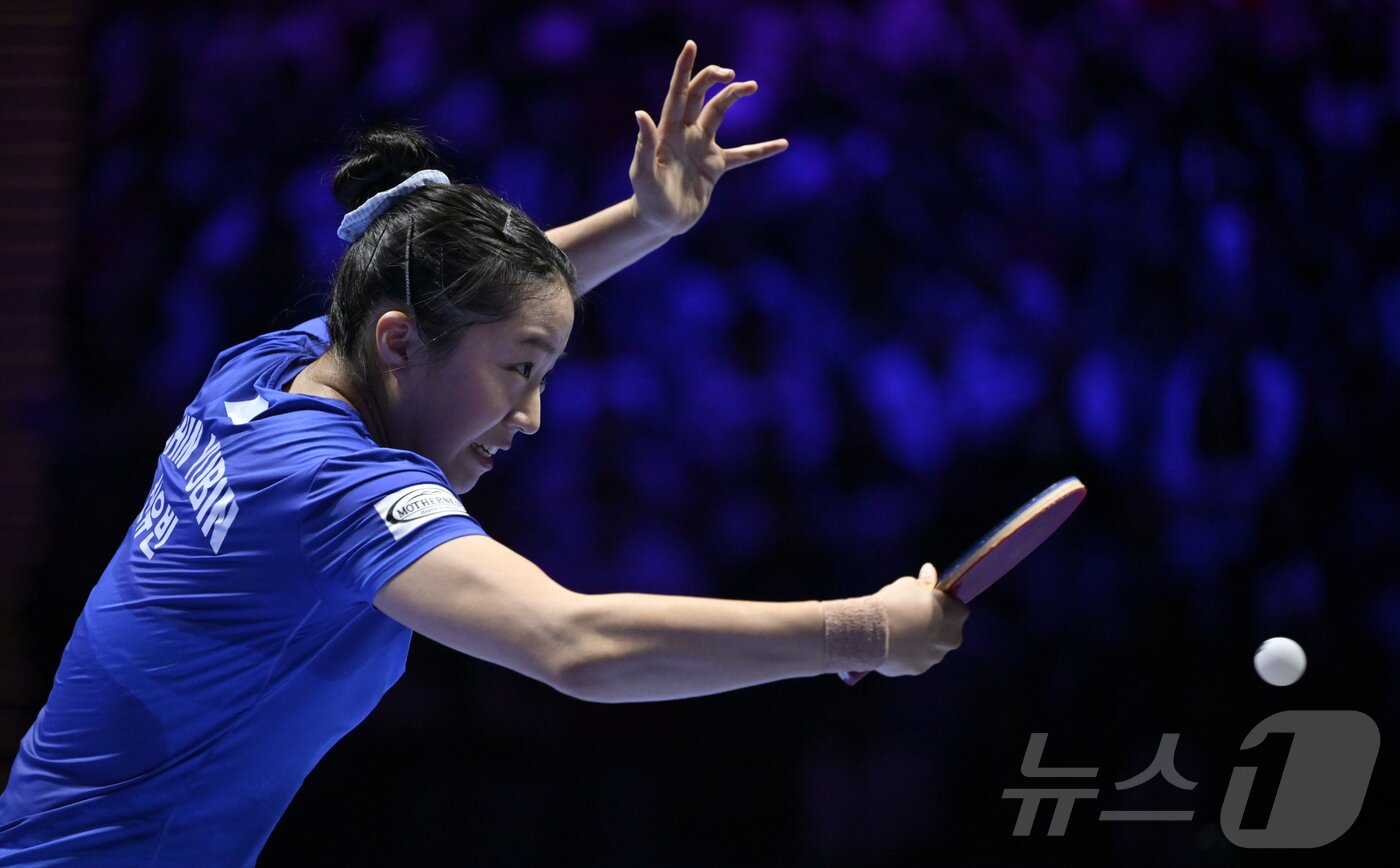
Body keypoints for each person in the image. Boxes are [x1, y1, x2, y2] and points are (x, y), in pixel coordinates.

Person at [0, 42, 967, 865]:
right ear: (397, 345)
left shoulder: (268, 371)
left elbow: (459, 299)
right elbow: (576, 645)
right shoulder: (328, 489)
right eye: (520, 371)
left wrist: (650, 223)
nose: (533, 415)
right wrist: (864, 631)